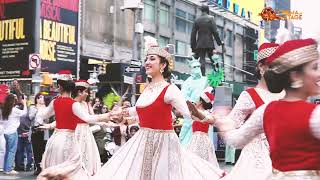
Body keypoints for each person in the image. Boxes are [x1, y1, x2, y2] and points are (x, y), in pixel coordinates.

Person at [92, 45, 225, 180]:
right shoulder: (148, 89)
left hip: (164, 144)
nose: (147, 62)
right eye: (146, 59)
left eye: (152, 59)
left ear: (163, 65)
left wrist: (206, 116)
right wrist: (119, 113)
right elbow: (138, 110)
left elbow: (188, 113)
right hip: (142, 141)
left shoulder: (170, 89)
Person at [215, 38, 320, 180]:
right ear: (295, 76)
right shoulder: (314, 114)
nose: (318, 74)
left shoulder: (266, 110)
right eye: (314, 68)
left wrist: (223, 124)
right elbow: (235, 130)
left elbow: (235, 139)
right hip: (256, 164)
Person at [218, 43, 284, 179]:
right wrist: (215, 119)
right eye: (274, 65)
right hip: (256, 162)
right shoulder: (250, 95)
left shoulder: (285, 94)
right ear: (261, 67)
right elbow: (231, 123)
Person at [36, 70, 114, 179]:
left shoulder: (55, 102)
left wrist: (40, 108)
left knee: (55, 171)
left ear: (59, 87)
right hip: (69, 141)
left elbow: (41, 116)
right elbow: (88, 118)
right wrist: (108, 115)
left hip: (55, 140)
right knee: (71, 172)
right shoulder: (74, 104)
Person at [73, 80, 101, 175]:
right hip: (76, 130)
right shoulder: (73, 103)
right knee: (78, 152)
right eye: (85, 91)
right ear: (79, 92)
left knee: (88, 152)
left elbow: (92, 116)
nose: (87, 94)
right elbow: (89, 118)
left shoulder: (86, 104)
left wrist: (105, 120)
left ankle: (87, 174)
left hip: (86, 130)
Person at [186, 89, 219, 167]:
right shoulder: (196, 113)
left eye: (197, 100)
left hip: (202, 140)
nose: (196, 101)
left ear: (200, 102)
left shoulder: (206, 113)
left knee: (200, 162)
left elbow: (211, 120)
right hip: (195, 139)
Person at [191, 5, 223, 75]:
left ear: (201, 10)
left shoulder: (197, 20)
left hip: (200, 44)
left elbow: (193, 34)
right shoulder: (211, 18)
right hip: (209, 43)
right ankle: (218, 77)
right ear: (208, 10)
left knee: (202, 60)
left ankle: (203, 76)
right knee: (214, 60)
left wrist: (193, 47)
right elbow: (215, 31)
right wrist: (219, 42)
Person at [1, 94, 27, 175]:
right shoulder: (14, 110)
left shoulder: (3, 110)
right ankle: (8, 169)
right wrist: (25, 103)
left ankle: (5, 168)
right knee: (11, 151)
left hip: (4, 133)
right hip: (12, 132)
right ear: (13, 101)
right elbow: (24, 113)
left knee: (7, 151)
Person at [29, 93, 51, 175]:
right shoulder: (33, 107)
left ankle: (43, 166)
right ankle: (38, 168)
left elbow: (48, 120)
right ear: (37, 99)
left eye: (43, 98)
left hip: (43, 131)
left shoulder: (47, 108)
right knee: (35, 150)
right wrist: (37, 109)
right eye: (40, 97)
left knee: (44, 149)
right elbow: (30, 117)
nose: (42, 99)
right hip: (35, 131)